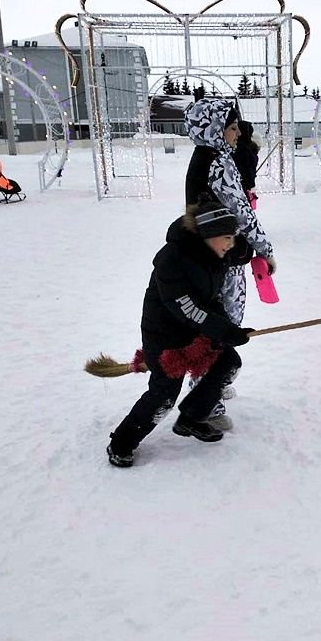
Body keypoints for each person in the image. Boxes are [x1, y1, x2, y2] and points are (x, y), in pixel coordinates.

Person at [106, 197, 255, 468]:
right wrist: (223, 330)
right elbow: (187, 308)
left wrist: (228, 329)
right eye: (226, 237)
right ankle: (121, 443)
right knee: (163, 395)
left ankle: (192, 417)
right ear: (208, 235)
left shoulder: (213, 252)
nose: (230, 244)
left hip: (193, 330)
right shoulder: (171, 260)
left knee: (228, 363)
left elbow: (214, 293)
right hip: (165, 338)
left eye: (232, 237)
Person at [183, 99, 276, 430]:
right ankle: (206, 400)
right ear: (214, 129)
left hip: (212, 257)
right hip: (222, 259)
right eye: (232, 127)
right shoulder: (218, 165)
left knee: (218, 324)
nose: (238, 134)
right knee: (221, 326)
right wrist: (265, 248)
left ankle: (212, 384)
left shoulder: (206, 157)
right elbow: (243, 213)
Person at [232, 120, 260, 206]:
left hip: (243, 185)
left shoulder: (243, 147)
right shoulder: (243, 149)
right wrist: (251, 183)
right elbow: (245, 169)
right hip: (242, 186)